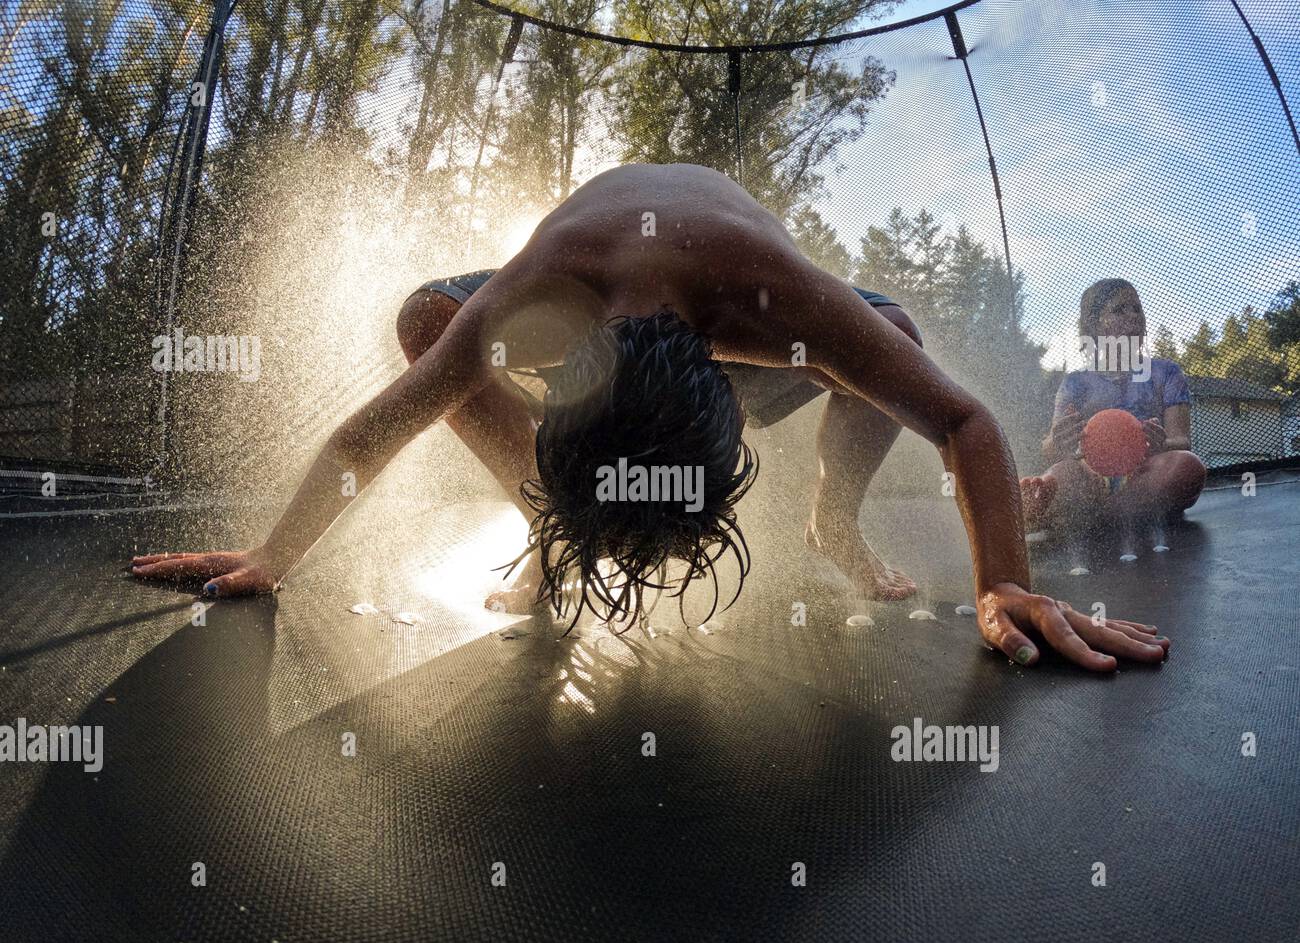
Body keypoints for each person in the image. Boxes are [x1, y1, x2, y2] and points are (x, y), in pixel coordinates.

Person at [132, 164, 1168, 672]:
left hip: (735, 310)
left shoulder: (777, 302)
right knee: (424, 319)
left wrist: (1005, 585)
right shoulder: (525, 305)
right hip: (592, 303)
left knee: (891, 326)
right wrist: (275, 554)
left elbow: (963, 424)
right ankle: (550, 516)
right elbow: (373, 431)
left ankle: (831, 522)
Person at [1020, 279, 1206, 532]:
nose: (1134, 317)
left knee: (1187, 467)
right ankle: (1040, 501)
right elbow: (1052, 450)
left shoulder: (1166, 372)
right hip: (1092, 474)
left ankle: (1084, 515)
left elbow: (1181, 440)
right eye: (1120, 310)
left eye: (1137, 309)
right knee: (1064, 474)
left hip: (1147, 472)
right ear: (1095, 325)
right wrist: (1057, 440)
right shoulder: (1076, 382)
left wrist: (1161, 444)